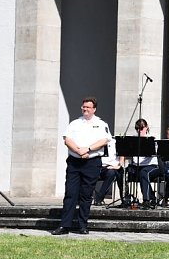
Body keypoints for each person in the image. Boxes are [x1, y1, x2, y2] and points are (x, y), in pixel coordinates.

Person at [52, 97, 111, 235]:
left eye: (88, 107)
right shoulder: (75, 123)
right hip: (75, 162)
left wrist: (88, 149)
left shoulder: (101, 124)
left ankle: (82, 225)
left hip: (92, 162)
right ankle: (64, 225)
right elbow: (67, 140)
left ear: (94, 109)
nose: (85, 109)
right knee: (70, 194)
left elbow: (104, 140)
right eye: (83, 107)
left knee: (86, 195)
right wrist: (79, 151)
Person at [126, 118, 159, 208]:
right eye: (137, 129)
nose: (139, 131)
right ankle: (126, 198)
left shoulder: (152, 139)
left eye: (141, 128)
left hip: (151, 165)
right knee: (123, 172)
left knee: (144, 172)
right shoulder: (133, 139)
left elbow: (154, 153)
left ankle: (146, 200)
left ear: (146, 127)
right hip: (137, 166)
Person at [94, 135, 122, 205]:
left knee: (113, 173)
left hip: (113, 167)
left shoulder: (115, 142)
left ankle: (99, 197)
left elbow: (122, 155)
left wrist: (118, 165)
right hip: (99, 166)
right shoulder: (97, 141)